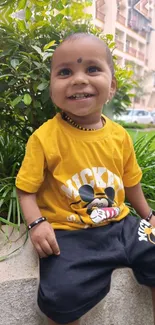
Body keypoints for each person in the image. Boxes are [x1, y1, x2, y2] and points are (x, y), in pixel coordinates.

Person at [16, 32, 155, 325]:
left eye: (92, 69)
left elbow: (131, 184)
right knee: (60, 297)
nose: (78, 79)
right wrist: (37, 224)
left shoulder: (119, 137)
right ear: (52, 88)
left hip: (121, 224)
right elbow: (25, 190)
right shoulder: (44, 139)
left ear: (112, 87)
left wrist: (149, 215)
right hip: (70, 233)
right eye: (65, 72)